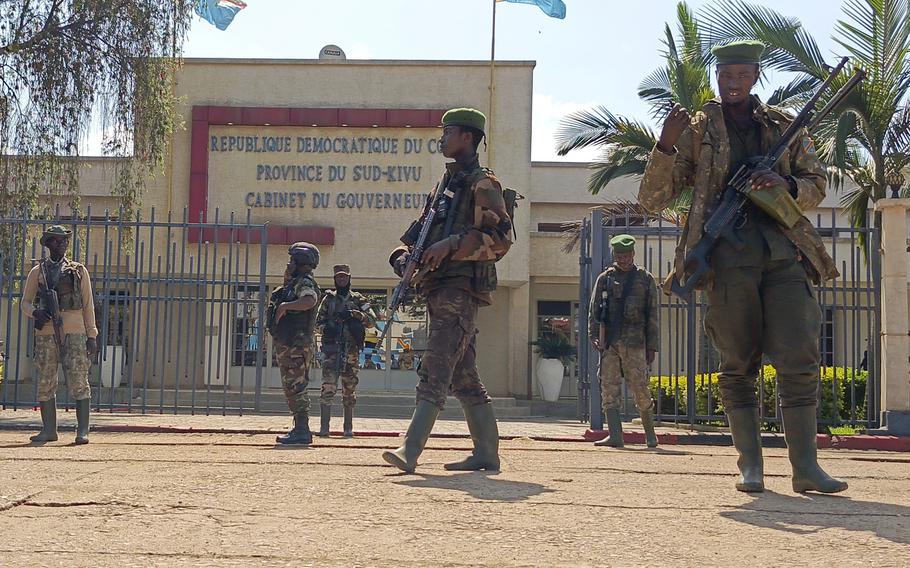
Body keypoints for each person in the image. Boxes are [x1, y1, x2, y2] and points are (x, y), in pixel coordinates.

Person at [638, 40, 847, 493]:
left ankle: (805, 469)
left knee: (799, 356)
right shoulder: (697, 130)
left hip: (784, 252)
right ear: (718, 76)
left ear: (755, 77)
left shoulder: (784, 127)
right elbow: (654, 198)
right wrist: (665, 146)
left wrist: (784, 181)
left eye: (741, 75)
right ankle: (750, 467)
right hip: (728, 260)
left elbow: (816, 185)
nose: (732, 84)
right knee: (737, 364)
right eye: (725, 75)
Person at [382, 108, 513, 473]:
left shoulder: (483, 184)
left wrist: (453, 245)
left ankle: (410, 449)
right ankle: (487, 453)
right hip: (437, 287)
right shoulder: (444, 187)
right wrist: (403, 259)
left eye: (448, 131)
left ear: (467, 137)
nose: (442, 138)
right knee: (464, 375)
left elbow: (502, 239)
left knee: (437, 365)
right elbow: (416, 239)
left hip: (461, 288)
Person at [21, 225, 99, 444]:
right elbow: (25, 302)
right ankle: (49, 431)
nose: (61, 244)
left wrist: (91, 335)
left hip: (75, 331)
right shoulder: (38, 272)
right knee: (46, 379)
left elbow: (88, 305)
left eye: (64, 240)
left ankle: (82, 431)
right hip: (46, 332)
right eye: (56, 241)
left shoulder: (78, 271)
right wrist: (35, 312)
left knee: (78, 379)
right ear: (47, 244)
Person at [588, 234, 659, 448]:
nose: (623, 259)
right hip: (610, 342)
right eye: (619, 255)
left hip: (636, 342)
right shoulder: (605, 278)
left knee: (640, 387)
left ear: (633, 254)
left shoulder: (645, 279)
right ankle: (616, 436)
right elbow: (594, 310)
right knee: (609, 388)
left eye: (626, 255)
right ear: (614, 255)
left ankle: (650, 435)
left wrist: (652, 346)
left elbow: (652, 314)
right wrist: (594, 335)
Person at [268, 242, 321, 445]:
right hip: (290, 342)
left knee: (296, 385)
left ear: (300, 261)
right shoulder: (294, 282)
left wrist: (286, 306)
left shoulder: (304, 282)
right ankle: (299, 428)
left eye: (292, 259)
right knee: (293, 386)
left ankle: (302, 430)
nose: (288, 263)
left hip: (296, 344)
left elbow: (310, 300)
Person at [314, 264, 376, 438]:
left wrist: (355, 315)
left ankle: (348, 427)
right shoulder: (328, 300)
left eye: (345, 277)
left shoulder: (358, 299)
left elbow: (372, 320)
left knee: (349, 388)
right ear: (335, 279)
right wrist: (329, 328)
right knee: (328, 387)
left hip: (351, 351)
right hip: (332, 350)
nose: (342, 280)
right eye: (339, 277)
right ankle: (324, 427)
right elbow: (317, 323)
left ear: (349, 278)